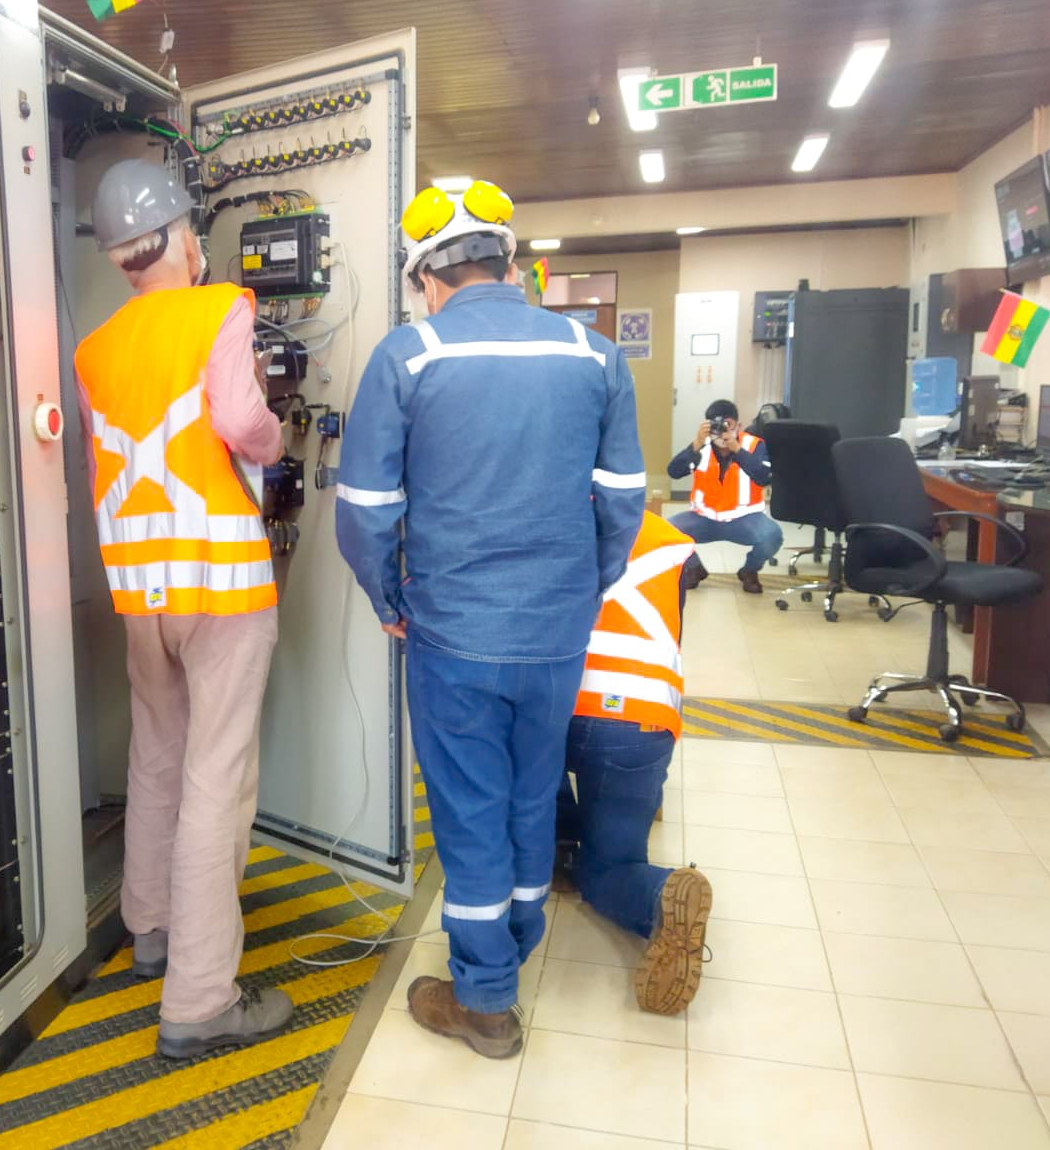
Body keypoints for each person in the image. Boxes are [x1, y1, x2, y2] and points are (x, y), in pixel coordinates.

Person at [336, 180, 644, 1059]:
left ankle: (483, 1000)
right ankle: (515, 945)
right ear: (512, 264)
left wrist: (389, 600)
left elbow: (364, 511)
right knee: (531, 794)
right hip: (556, 632)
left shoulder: (409, 355)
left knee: (471, 807)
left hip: (453, 633)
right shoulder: (595, 356)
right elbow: (624, 497)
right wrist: (582, 589)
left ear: (427, 279)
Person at [74, 159, 291, 1059]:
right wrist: (274, 440)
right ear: (178, 240)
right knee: (216, 777)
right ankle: (201, 1000)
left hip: (140, 590)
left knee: (156, 755)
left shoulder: (94, 349)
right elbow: (240, 421)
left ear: (118, 255)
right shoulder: (220, 309)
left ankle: (151, 930)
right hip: (222, 583)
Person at [555, 511, 713, 1016]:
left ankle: (557, 841)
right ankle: (658, 895)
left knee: (528, 760)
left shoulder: (538, 516)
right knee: (612, 864)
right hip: (641, 719)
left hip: (553, 707)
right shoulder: (670, 540)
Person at [667, 399, 783, 594]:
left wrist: (737, 449)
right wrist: (696, 444)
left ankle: (749, 570)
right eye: (716, 426)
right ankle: (694, 568)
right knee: (667, 531)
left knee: (772, 535)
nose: (722, 431)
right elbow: (674, 472)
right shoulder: (701, 447)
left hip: (744, 519)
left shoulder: (753, 445)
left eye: (727, 424)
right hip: (704, 518)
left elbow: (764, 478)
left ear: (738, 425)